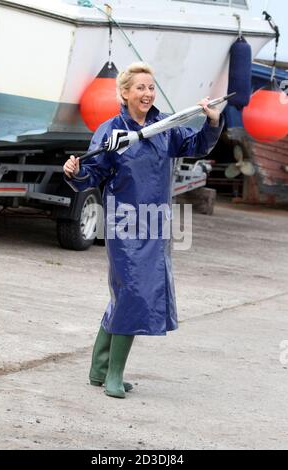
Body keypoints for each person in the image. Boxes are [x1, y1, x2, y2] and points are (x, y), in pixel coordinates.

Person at [63, 62, 223, 399]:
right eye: (140, 88)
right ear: (124, 93)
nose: (148, 93)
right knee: (134, 294)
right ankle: (114, 376)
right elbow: (89, 175)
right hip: (123, 225)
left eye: (151, 87)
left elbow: (197, 145)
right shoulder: (111, 132)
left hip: (155, 223)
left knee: (125, 295)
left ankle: (98, 369)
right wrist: (74, 172)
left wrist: (211, 121)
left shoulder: (165, 129)